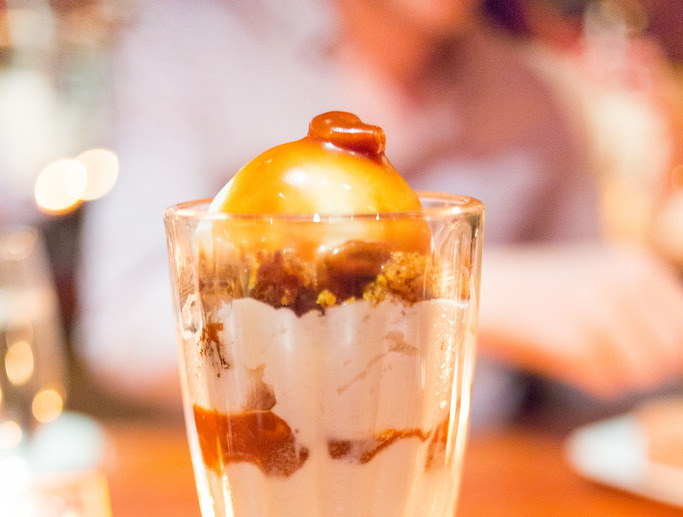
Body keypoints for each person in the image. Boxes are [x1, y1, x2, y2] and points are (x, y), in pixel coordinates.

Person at [77, 0, 683, 426]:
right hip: (252, 476)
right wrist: (462, 291)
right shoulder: (188, 44)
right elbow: (124, 326)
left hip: (473, 488)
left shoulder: (531, 100)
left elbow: (600, 366)